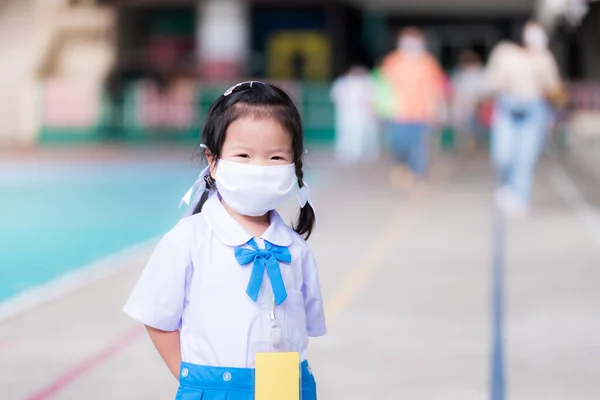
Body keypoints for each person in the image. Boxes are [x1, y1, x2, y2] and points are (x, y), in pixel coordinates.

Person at [123, 81, 326, 400]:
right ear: (213, 161)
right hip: (212, 388)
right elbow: (156, 317)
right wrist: (194, 381)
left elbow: (304, 327)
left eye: (275, 158)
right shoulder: (188, 239)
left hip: (288, 388)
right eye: (243, 155)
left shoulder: (296, 249)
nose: (259, 169)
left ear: (294, 165)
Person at [486, 21, 562, 217]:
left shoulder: (544, 57)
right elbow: (492, 80)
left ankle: (521, 199)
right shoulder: (504, 52)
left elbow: (553, 86)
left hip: (534, 109)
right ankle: (507, 187)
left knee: (525, 158)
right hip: (507, 106)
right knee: (503, 155)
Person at [381, 27, 446, 187]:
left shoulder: (428, 62)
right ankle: (402, 167)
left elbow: (435, 87)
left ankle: (418, 175)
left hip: (422, 114)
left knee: (419, 148)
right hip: (399, 113)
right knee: (399, 143)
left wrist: (438, 108)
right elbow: (383, 86)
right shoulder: (393, 61)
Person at [330, 65, 378, 164]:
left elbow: (371, 99)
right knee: (346, 133)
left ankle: (359, 153)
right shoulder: (342, 83)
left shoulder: (367, 82)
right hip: (346, 112)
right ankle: (347, 153)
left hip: (361, 113)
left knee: (361, 134)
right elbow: (336, 97)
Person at [450, 49, 487, 153]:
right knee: (464, 129)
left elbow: (484, 91)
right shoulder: (459, 73)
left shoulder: (480, 73)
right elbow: (455, 90)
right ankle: (466, 146)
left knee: (473, 129)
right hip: (462, 106)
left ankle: (471, 146)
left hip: (476, 106)